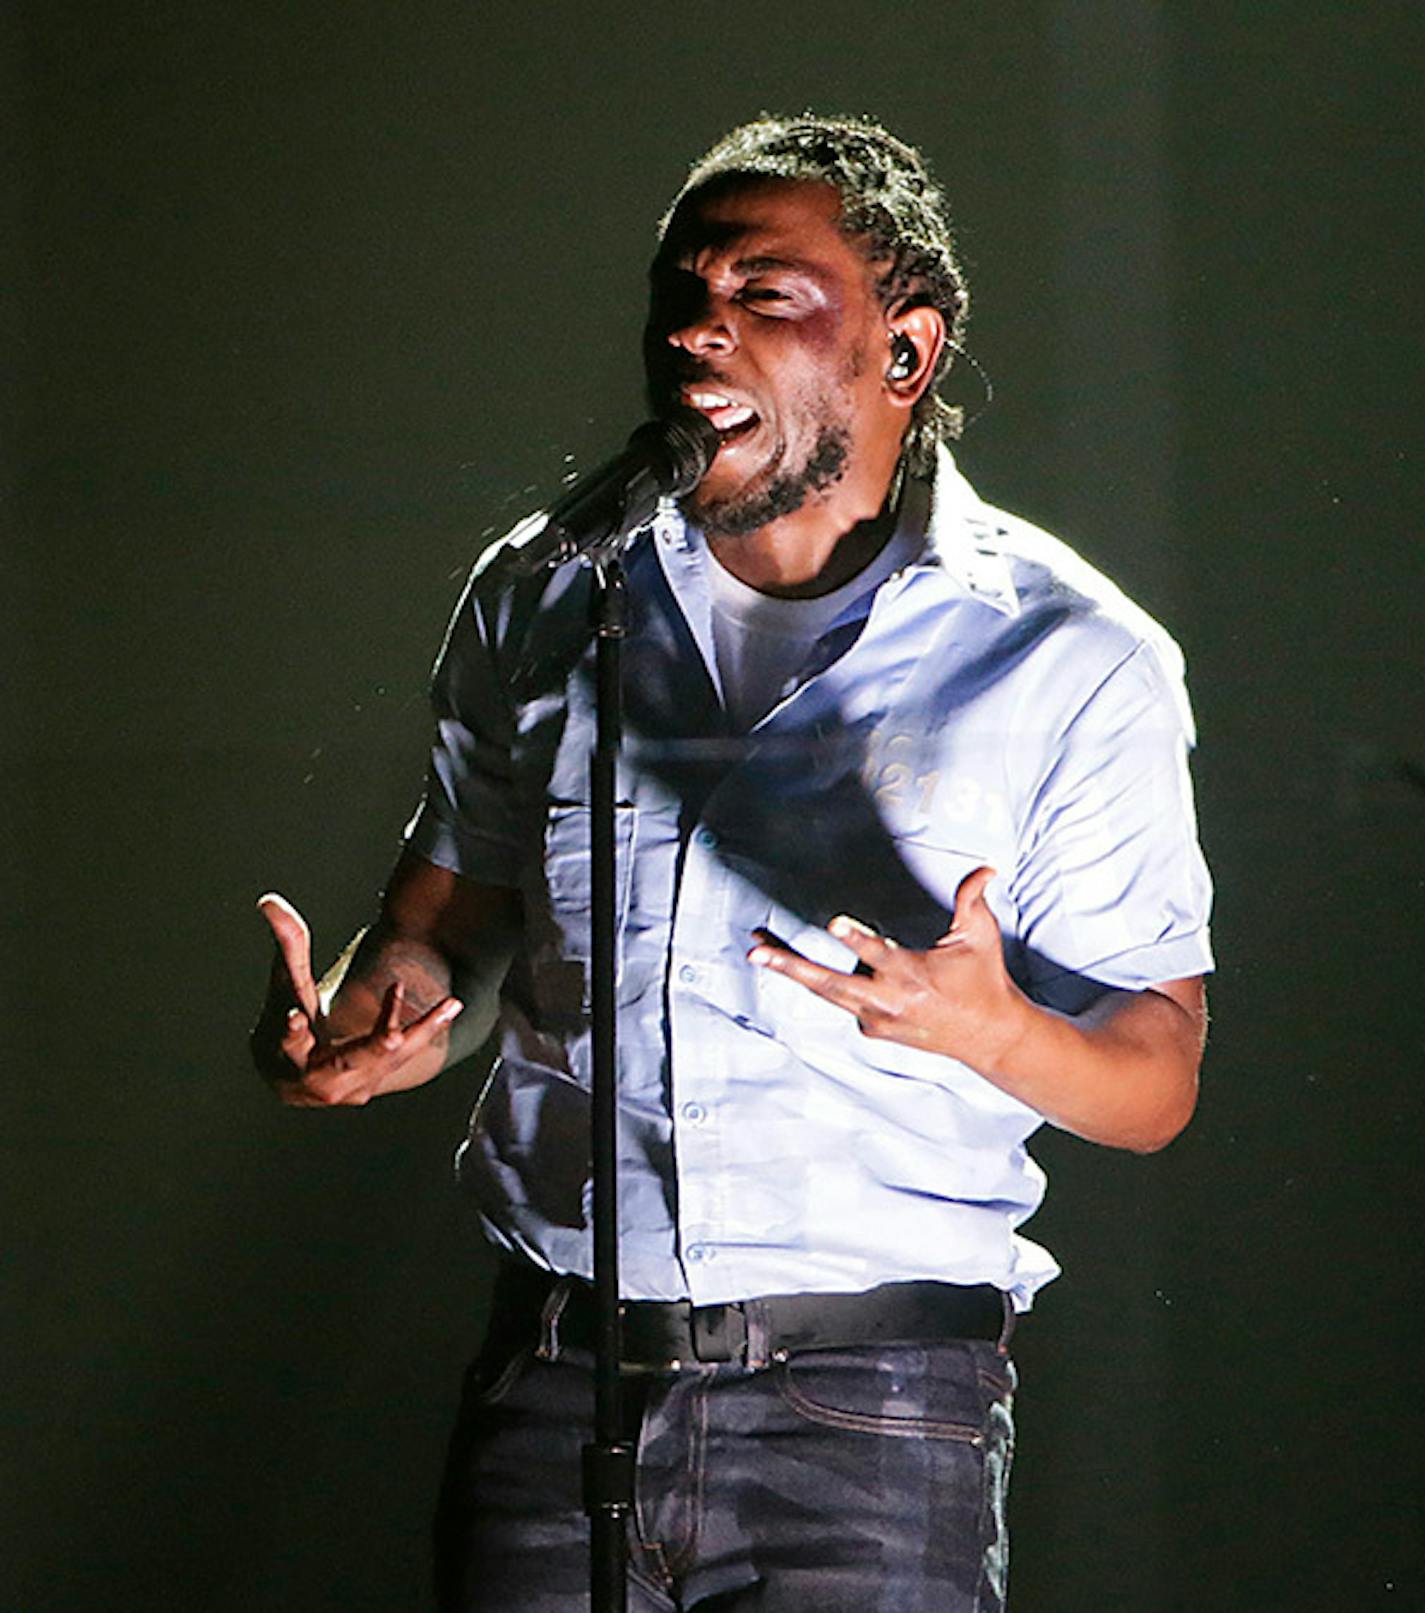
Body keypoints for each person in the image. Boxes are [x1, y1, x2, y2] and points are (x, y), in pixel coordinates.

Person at [252, 115, 1212, 1612]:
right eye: (682, 293)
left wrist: (996, 1026)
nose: (700, 327)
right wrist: (374, 1020)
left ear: (904, 352)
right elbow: (448, 924)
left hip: (873, 1412)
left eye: (767, 296)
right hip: (558, 1381)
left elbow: (1157, 1073)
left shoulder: (1067, 660)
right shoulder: (548, 591)